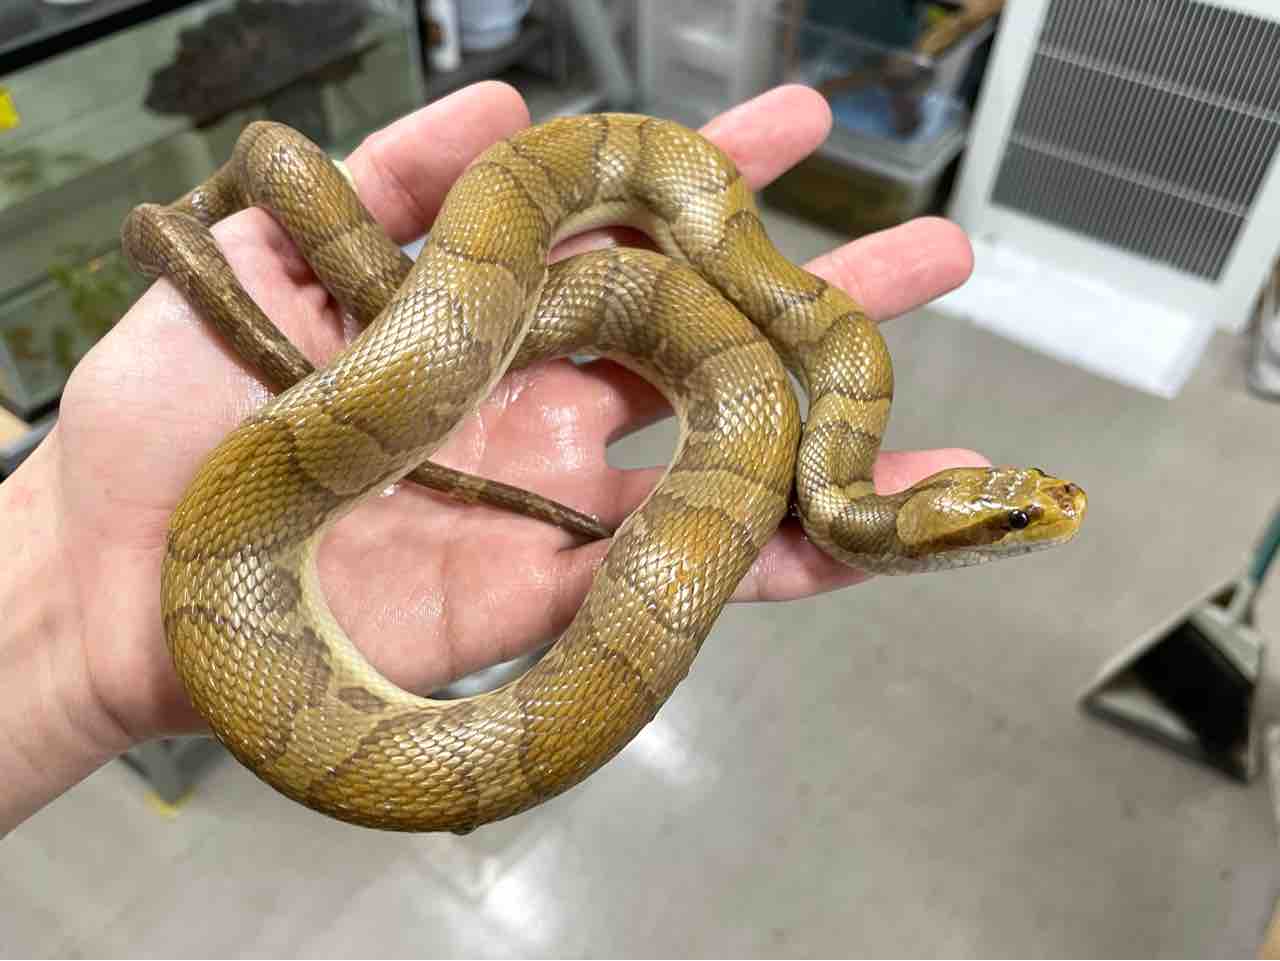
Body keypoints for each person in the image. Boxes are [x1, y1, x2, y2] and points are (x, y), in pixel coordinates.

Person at [0, 81, 983, 835]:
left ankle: (242, 190)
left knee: (284, 164)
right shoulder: (793, 406)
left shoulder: (796, 416)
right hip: (533, 291)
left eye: (1002, 514)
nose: (1025, 512)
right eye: (1009, 512)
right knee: (285, 164)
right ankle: (243, 191)